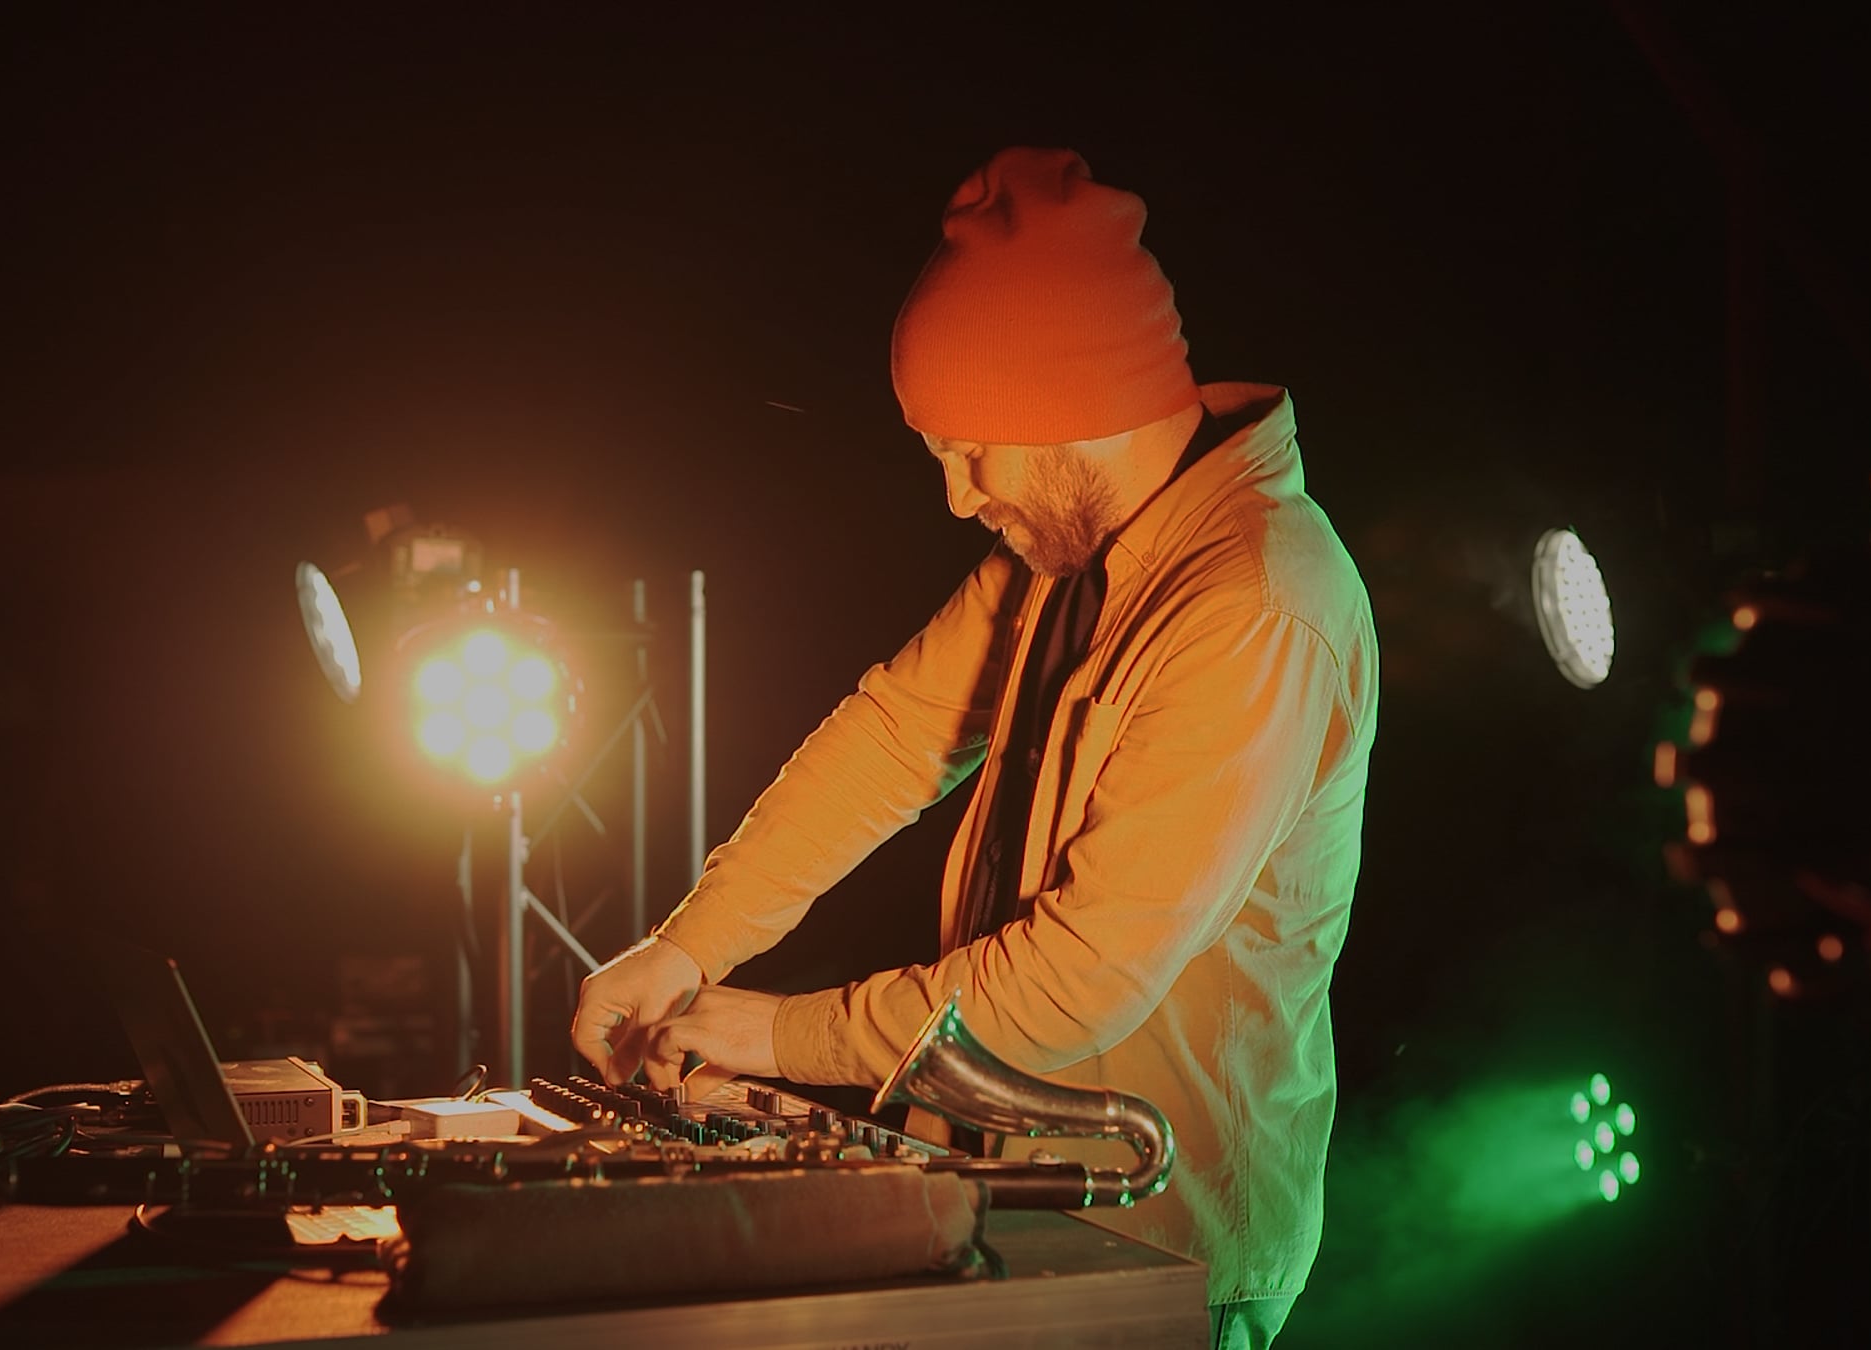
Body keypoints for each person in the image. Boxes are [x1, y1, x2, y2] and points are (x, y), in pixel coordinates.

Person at [570, 146, 1377, 1349]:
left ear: (1068, 412)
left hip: (1160, 1253)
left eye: (968, 450)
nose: (957, 496)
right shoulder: (1078, 552)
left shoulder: (1252, 606)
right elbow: (896, 735)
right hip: (1025, 1209)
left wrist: (773, 1035)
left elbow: (1079, 978)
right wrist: (685, 947)